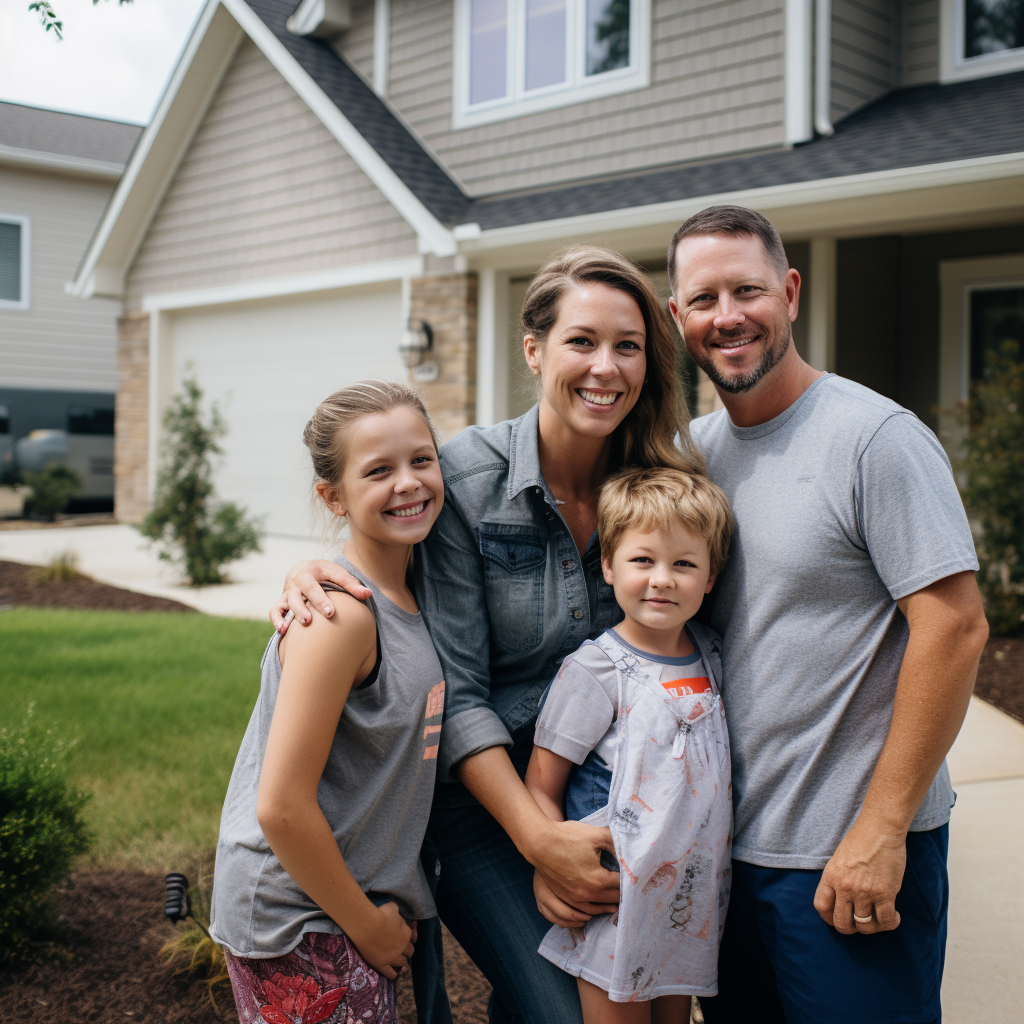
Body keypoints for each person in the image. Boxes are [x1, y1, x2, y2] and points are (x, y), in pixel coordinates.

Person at [270, 246, 707, 1023]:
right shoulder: (466, 480)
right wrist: (540, 843)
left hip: (616, 797)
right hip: (482, 805)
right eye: (581, 341)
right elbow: (460, 688)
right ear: (534, 350)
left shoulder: (659, 486)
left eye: (627, 345)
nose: (605, 367)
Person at [665, 205, 990, 1024]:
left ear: (791, 292)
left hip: (848, 860)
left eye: (748, 289)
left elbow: (954, 627)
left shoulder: (874, 438)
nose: (728, 315)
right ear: (678, 316)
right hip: (728, 857)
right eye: (704, 298)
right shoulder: (692, 456)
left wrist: (881, 833)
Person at [210, 381, 449, 1024]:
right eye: (378, 471)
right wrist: (367, 926)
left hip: (336, 907)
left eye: (421, 460)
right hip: (303, 918)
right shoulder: (338, 617)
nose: (409, 483)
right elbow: (281, 805)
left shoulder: (409, 594)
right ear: (332, 497)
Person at [526, 467, 734, 1024]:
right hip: (615, 904)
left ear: (711, 576)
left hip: (687, 907)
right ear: (608, 566)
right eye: (643, 560)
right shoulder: (596, 671)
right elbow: (541, 786)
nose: (662, 579)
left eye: (684, 564)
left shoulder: (711, 655)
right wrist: (551, 866)